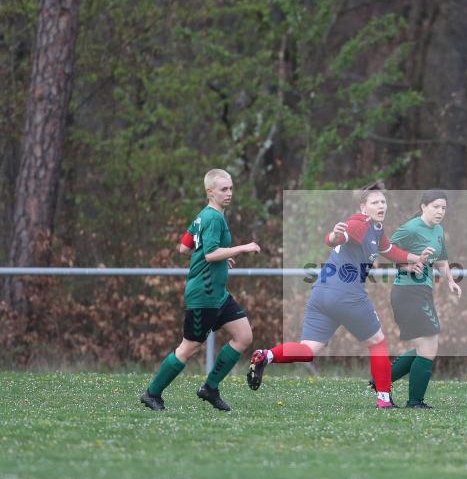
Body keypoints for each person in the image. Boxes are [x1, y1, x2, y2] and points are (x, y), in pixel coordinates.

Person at [247, 188, 433, 408]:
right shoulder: (360, 223)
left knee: (308, 350)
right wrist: (334, 236)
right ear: (363, 207)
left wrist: (413, 259)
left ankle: (266, 355)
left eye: (383, 201)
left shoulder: (376, 228)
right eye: (375, 202)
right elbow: (340, 237)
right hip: (346, 295)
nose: (381, 206)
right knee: (377, 342)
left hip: (321, 293)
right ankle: (384, 399)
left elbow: (389, 250)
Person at [141, 169, 260, 412]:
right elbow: (208, 253)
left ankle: (210, 388)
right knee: (189, 348)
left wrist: (218, 258)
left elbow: (185, 248)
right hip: (203, 295)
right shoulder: (213, 218)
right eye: (223, 189)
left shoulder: (203, 217)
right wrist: (241, 248)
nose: (229, 193)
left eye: (230, 188)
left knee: (244, 336)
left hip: (219, 295)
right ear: (210, 191)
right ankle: (152, 394)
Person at [383, 189, 461, 408]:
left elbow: (442, 259)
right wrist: (408, 266)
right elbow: (386, 250)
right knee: (428, 346)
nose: (440, 211)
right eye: (435, 206)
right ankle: (415, 401)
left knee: (425, 347)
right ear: (423, 206)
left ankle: (382, 380)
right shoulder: (410, 228)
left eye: (443, 208)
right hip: (407, 292)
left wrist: (450, 281)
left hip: (423, 293)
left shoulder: (438, 230)